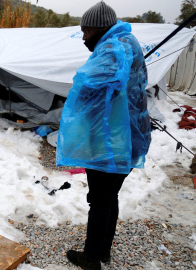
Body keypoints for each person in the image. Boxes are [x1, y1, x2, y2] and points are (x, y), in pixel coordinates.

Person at [55, 1, 152, 270]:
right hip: (129, 135)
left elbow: (94, 82)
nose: (84, 37)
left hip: (112, 139)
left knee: (99, 199)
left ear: (99, 28)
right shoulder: (128, 42)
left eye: (86, 31)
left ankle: (91, 258)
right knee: (110, 196)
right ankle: (103, 251)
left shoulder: (113, 48)